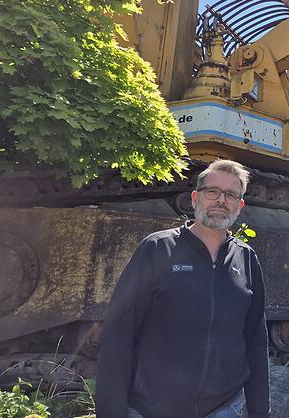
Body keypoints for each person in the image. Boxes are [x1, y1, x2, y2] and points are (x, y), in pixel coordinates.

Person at [96, 159, 270, 418]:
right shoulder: (157, 249)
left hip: (224, 409)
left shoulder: (246, 260)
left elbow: (256, 342)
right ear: (195, 198)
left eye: (231, 195)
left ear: (240, 205)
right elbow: (118, 335)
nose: (221, 200)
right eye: (212, 191)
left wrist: (260, 412)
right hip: (152, 408)